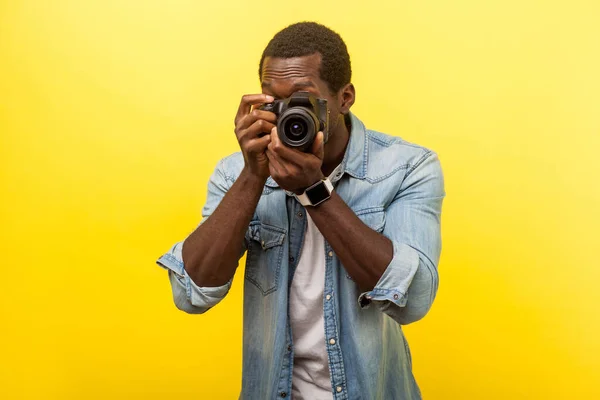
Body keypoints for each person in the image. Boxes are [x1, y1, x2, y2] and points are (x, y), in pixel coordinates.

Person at [156, 21, 445, 400]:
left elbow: (415, 297)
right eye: (272, 100)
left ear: (344, 98)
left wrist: (315, 192)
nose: (288, 114)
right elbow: (191, 294)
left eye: (302, 99)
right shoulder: (237, 172)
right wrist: (253, 176)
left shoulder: (406, 167)